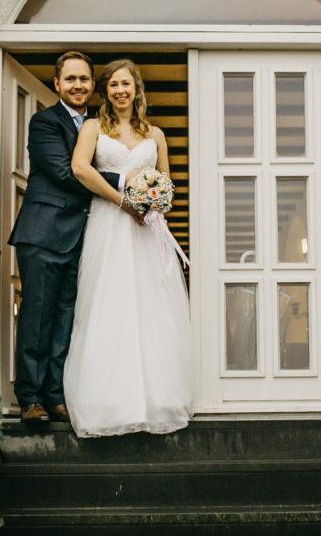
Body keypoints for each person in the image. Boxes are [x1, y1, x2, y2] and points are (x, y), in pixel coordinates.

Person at [7, 51, 142, 424]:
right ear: (57, 84)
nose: (78, 85)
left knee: (67, 317)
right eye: (71, 79)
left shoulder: (100, 126)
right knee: (37, 315)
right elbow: (68, 172)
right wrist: (122, 182)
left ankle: (55, 395)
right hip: (45, 232)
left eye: (84, 79)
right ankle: (30, 397)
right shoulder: (44, 123)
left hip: (83, 235)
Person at [64, 58, 193, 437]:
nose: (121, 90)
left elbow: (166, 183)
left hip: (147, 230)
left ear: (136, 88)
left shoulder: (155, 134)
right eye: (114, 85)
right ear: (106, 91)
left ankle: (158, 398)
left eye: (127, 84)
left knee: (153, 308)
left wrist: (152, 203)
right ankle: (109, 402)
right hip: (110, 224)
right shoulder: (92, 128)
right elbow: (79, 169)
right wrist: (124, 201)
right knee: (109, 305)